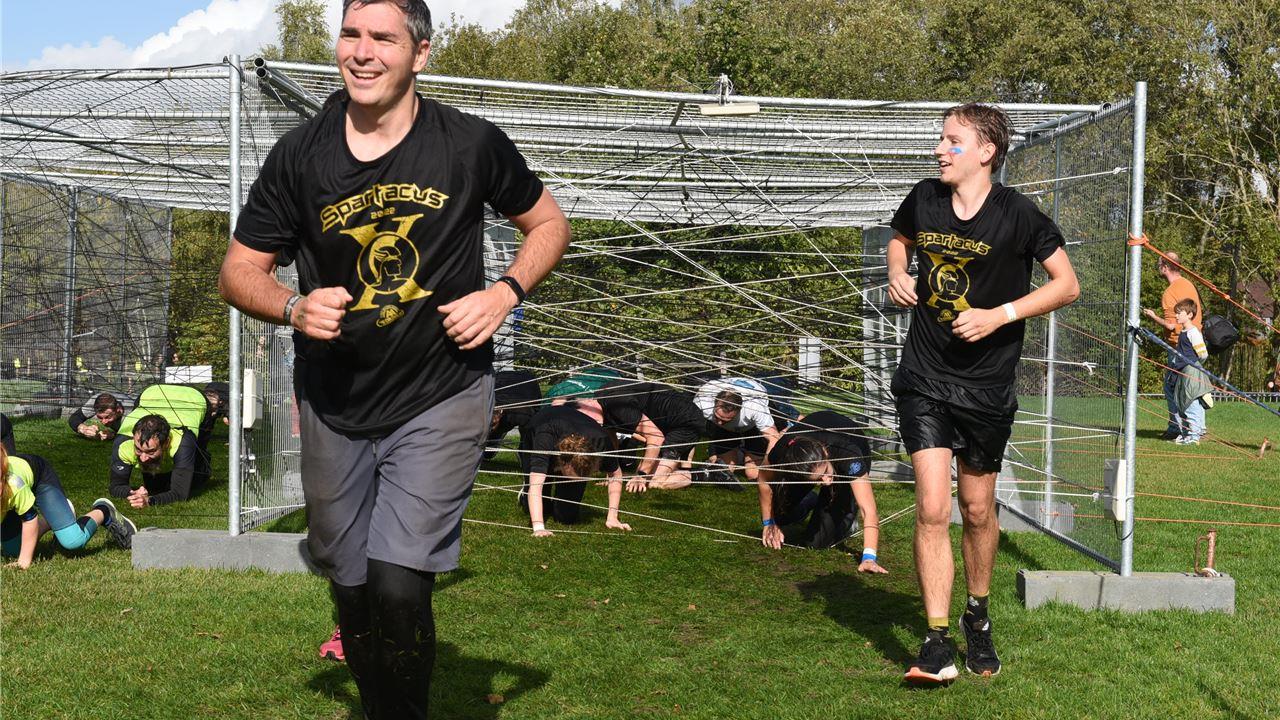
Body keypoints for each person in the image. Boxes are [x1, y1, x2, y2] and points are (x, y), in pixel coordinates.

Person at [216, 1, 570, 716]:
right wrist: (292, 306)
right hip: (335, 402)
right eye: (351, 34)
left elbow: (549, 223)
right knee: (352, 587)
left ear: (421, 53)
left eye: (383, 38)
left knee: (399, 584)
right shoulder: (300, 156)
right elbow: (238, 271)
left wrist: (503, 293)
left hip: (442, 391)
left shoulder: (468, 144)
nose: (363, 52)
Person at [886, 103, 1079, 683]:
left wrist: (1000, 315)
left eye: (953, 141)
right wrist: (896, 271)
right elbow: (900, 239)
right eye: (941, 139)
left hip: (987, 387)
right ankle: (936, 641)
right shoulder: (924, 198)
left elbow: (1067, 285)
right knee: (932, 507)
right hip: (923, 376)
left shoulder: (1018, 214)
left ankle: (978, 615)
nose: (939, 149)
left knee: (975, 510)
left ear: (986, 151)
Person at [756, 410, 887, 573]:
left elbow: (869, 510)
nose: (826, 481)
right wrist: (769, 522)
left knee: (817, 542)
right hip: (811, 448)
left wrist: (869, 557)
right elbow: (763, 480)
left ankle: (847, 515)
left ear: (825, 452)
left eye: (825, 472)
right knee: (779, 515)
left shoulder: (849, 455)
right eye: (818, 479)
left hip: (850, 445)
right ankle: (809, 499)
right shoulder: (782, 452)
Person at [3, 444, 136, 569]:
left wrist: (23, 562)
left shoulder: (14, 485)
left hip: (39, 478)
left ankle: (104, 511)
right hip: (11, 495)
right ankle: (52, 520)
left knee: (73, 540)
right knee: (13, 551)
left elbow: (29, 520)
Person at [519, 403, 632, 534]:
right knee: (534, 506)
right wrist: (539, 528)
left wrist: (612, 517)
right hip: (539, 426)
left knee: (566, 517)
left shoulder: (601, 442)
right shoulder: (544, 437)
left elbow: (615, 475)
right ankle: (524, 494)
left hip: (576, 427)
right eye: (572, 477)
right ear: (562, 464)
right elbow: (536, 485)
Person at [580, 379, 704, 491]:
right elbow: (612, 441)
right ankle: (675, 469)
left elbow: (656, 438)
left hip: (685, 423)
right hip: (669, 420)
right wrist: (612, 474)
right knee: (647, 472)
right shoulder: (600, 403)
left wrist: (641, 476)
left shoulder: (619, 407)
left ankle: (707, 473)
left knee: (656, 482)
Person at [1142, 253, 1203, 440]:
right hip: (1195, 343)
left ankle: (1181, 429)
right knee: (1191, 387)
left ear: (1165, 267)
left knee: (1174, 388)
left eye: (1159, 265)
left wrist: (1152, 316)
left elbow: (1171, 325)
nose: (1158, 268)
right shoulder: (1189, 285)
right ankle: (1194, 428)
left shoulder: (1170, 293)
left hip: (1179, 346)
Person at [694, 377, 786, 488]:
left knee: (752, 474)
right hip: (726, 430)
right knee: (725, 472)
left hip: (752, 427)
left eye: (725, 420)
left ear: (739, 410)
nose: (720, 422)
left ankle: (743, 451)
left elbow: (774, 439)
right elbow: (689, 432)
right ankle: (734, 452)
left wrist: (767, 468)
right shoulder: (702, 402)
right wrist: (686, 464)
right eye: (717, 417)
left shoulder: (755, 407)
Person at [109, 414, 203, 507]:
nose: (143, 458)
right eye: (138, 450)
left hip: (194, 411)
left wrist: (149, 501)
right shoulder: (123, 445)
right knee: (155, 488)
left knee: (198, 481)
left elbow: (180, 493)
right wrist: (133, 494)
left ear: (166, 443)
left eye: (151, 451)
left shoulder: (182, 443)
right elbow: (115, 486)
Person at [1169, 299, 1213, 444]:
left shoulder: (1193, 332)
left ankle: (1194, 436)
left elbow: (1203, 354)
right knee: (1185, 403)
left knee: (1191, 403)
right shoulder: (1183, 331)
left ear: (1189, 314)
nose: (1176, 316)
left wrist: (1194, 365)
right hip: (1183, 372)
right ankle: (1189, 434)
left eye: (1179, 313)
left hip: (1191, 373)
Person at [485, 369, 542, 459]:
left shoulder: (521, 414)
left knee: (528, 434)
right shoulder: (487, 406)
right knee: (490, 443)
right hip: (503, 382)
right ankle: (488, 452)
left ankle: (523, 454)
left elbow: (532, 423)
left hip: (526, 385)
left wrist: (524, 450)